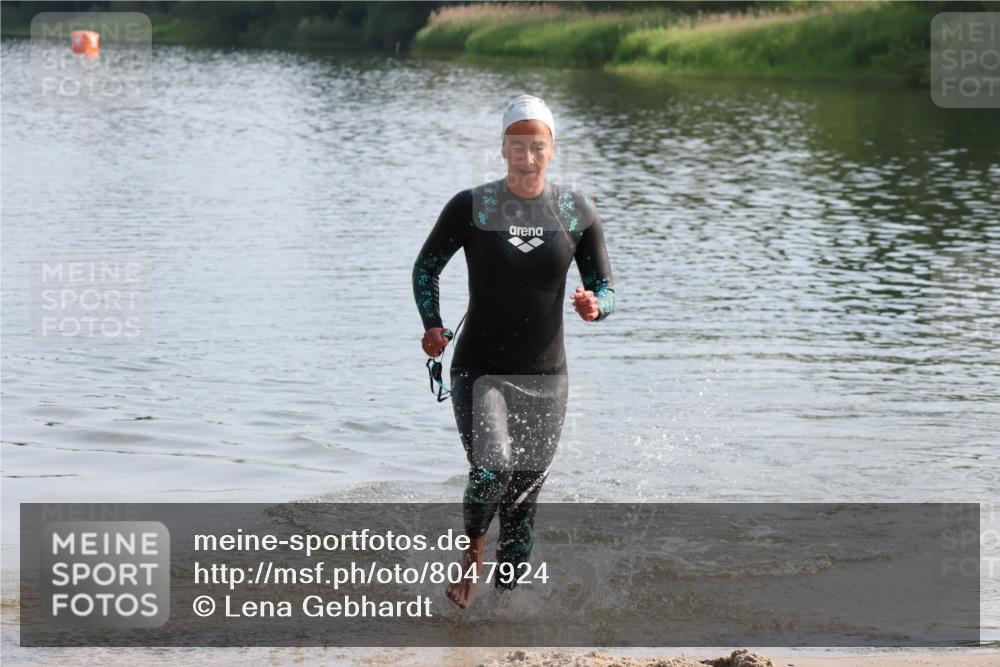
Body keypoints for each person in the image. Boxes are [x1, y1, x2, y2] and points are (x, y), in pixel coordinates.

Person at [412, 94, 615, 609]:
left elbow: (606, 288)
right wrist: (432, 325)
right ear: (503, 149)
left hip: (547, 377)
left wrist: (595, 306)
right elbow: (426, 267)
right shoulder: (473, 206)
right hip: (481, 370)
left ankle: (504, 618)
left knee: (523, 504)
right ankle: (472, 555)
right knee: (491, 470)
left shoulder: (575, 211)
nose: (528, 157)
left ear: (552, 148)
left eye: (538, 146)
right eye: (517, 146)